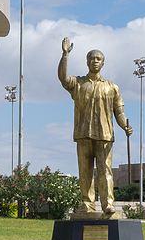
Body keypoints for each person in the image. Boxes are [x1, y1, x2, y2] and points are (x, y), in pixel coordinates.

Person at [56, 37, 132, 218]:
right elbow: (63, 78)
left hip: (105, 136)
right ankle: (87, 205)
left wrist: (125, 126)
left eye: (98, 59)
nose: (95, 61)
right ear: (87, 62)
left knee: (105, 172)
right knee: (85, 172)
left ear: (103, 63)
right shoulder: (79, 84)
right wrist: (65, 55)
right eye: (92, 58)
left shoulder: (112, 87)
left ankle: (108, 205)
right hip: (83, 134)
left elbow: (119, 112)